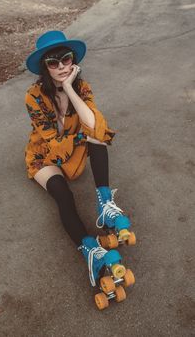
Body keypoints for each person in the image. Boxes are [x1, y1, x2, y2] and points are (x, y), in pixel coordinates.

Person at [24, 30, 131, 289]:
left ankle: (106, 204)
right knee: (63, 195)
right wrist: (86, 136)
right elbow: (54, 146)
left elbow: (93, 124)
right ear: (44, 67)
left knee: (96, 134)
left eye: (66, 59)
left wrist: (70, 88)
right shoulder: (34, 96)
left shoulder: (81, 87)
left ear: (74, 61)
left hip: (73, 148)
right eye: (53, 62)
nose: (61, 66)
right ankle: (90, 250)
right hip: (44, 157)